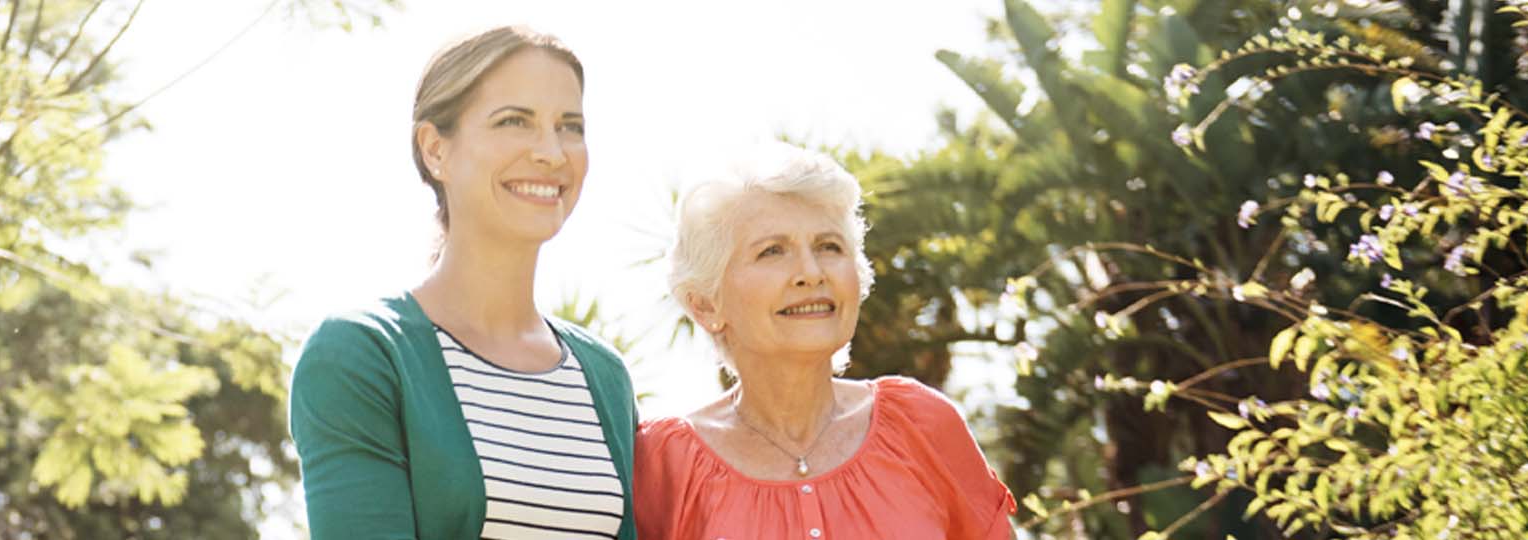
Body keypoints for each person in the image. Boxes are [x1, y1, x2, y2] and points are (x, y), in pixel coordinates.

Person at [289, 26, 637, 540]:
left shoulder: (605, 377)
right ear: (435, 150)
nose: (552, 152)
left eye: (570, 126)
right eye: (514, 121)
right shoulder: (362, 355)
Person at [634, 144, 1015, 539]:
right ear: (706, 304)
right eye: (772, 251)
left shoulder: (921, 426)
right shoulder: (662, 464)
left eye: (829, 247)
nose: (811, 272)